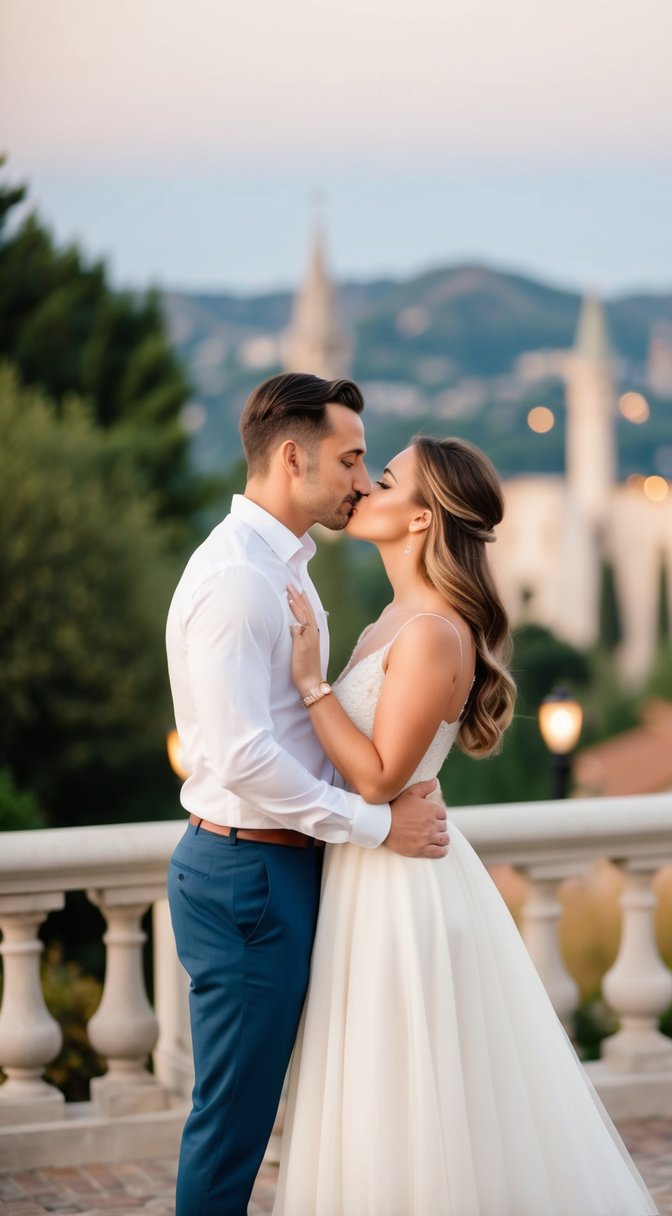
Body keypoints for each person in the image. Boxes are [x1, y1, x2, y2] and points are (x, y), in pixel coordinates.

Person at [274, 435, 658, 1215]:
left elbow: (380, 775)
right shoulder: (391, 620)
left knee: (402, 1092)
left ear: (419, 520)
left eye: (382, 480)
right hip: (365, 871)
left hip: (399, 887)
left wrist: (311, 684)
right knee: (371, 1086)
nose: (362, 489)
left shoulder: (431, 633)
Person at [165, 374, 449, 1216]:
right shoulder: (237, 580)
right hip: (248, 876)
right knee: (232, 1127)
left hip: (283, 869)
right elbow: (244, 757)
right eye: (351, 459)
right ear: (294, 457)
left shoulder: (281, 565)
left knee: (293, 1113)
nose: (362, 481)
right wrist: (371, 823)